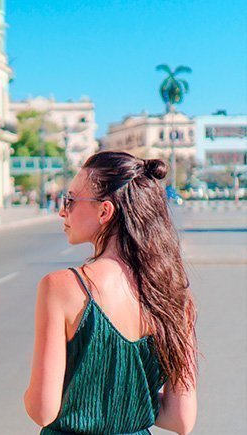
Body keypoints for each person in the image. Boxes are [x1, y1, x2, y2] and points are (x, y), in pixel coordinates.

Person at [25, 151, 197, 434]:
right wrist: (126, 399)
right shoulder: (175, 297)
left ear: (104, 211)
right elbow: (181, 419)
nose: (62, 210)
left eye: (69, 200)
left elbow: (43, 409)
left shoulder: (62, 287)